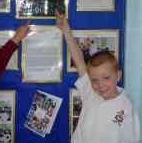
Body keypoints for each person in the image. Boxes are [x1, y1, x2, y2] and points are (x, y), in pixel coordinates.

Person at [56, 12, 141, 143]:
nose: (100, 85)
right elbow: (79, 61)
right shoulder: (90, 91)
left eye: (106, 78)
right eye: (94, 80)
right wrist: (66, 30)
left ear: (118, 75)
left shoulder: (127, 106)